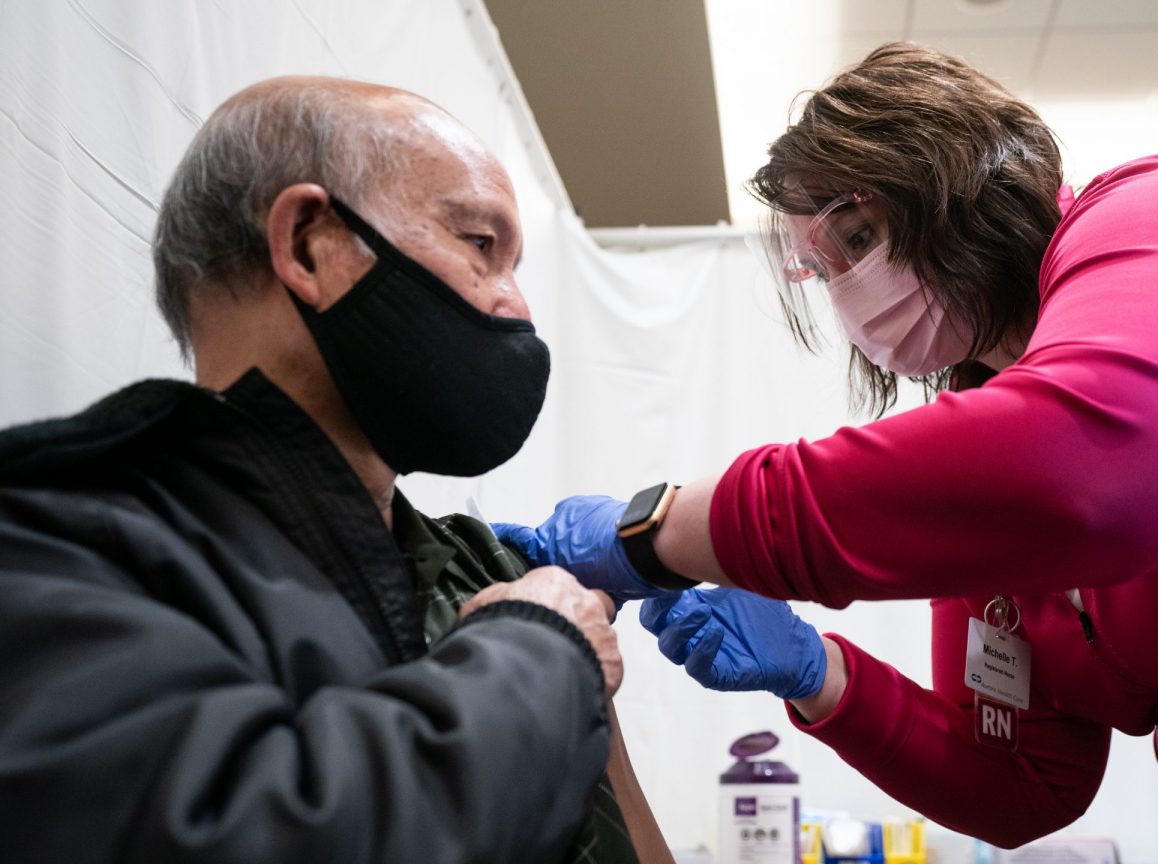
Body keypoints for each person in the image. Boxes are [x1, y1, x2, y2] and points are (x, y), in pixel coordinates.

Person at [497, 43, 1158, 863]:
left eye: (854, 238)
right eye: (818, 272)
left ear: (957, 180)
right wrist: (820, 677)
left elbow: (1106, 469)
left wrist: (667, 531)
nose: (847, 288)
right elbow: (1020, 783)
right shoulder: (997, 493)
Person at [0, 77, 669, 863]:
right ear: (311, 244)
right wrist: (545, 658)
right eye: (480, 245)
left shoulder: (481, 568)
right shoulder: (57, 545)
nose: (515, 307)